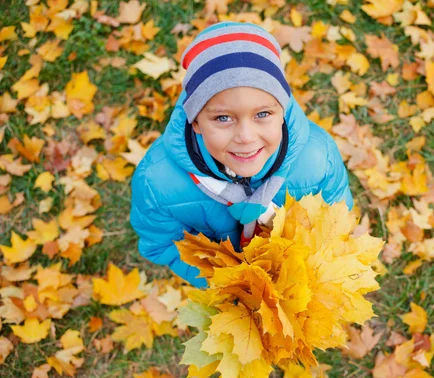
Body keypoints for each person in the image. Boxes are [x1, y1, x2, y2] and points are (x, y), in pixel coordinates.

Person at [130, 21, 353, 288]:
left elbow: (336, 224)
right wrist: (224, 287)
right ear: (196, 122)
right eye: (223, 118)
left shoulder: (318, 159)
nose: (246, 137)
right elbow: (163, 245)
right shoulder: (157, 181)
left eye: (262, 114)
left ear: (282, 111)